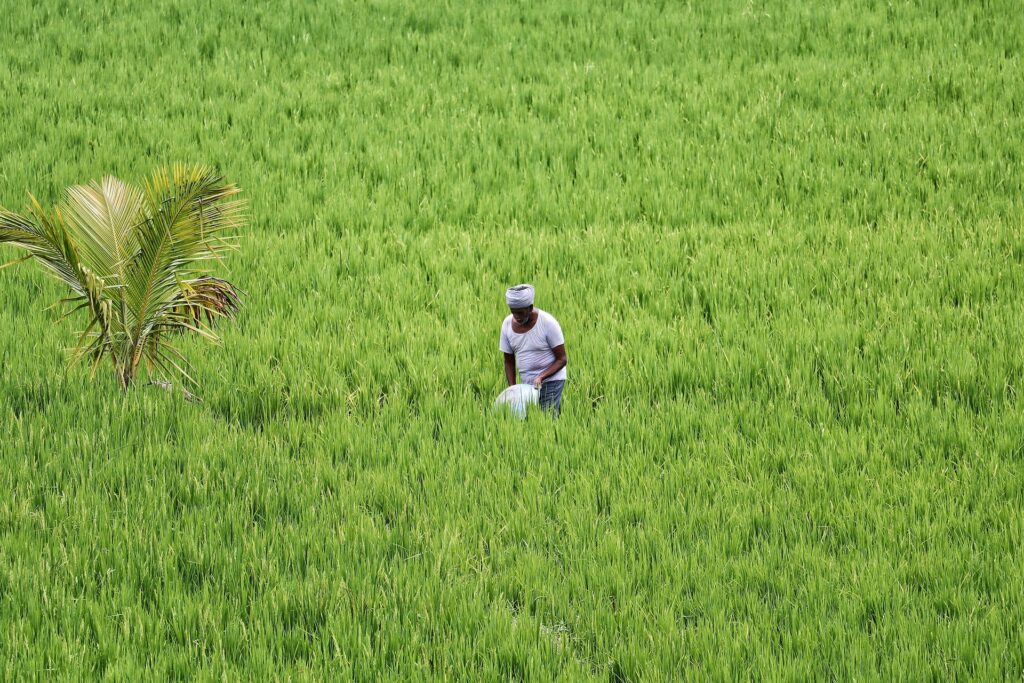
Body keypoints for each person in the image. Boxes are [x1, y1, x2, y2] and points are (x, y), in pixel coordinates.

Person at [499, 284, 567, 416]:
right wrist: (513, 388)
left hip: (551, 379)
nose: (516, 316)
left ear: (530, 308)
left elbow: (562, 359)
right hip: (527, 384)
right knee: (526, 418)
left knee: (547, 418)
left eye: (520, 312)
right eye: (513, 312)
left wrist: (541, 376)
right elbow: (509, 361)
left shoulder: (548, 323)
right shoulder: (507, 325)